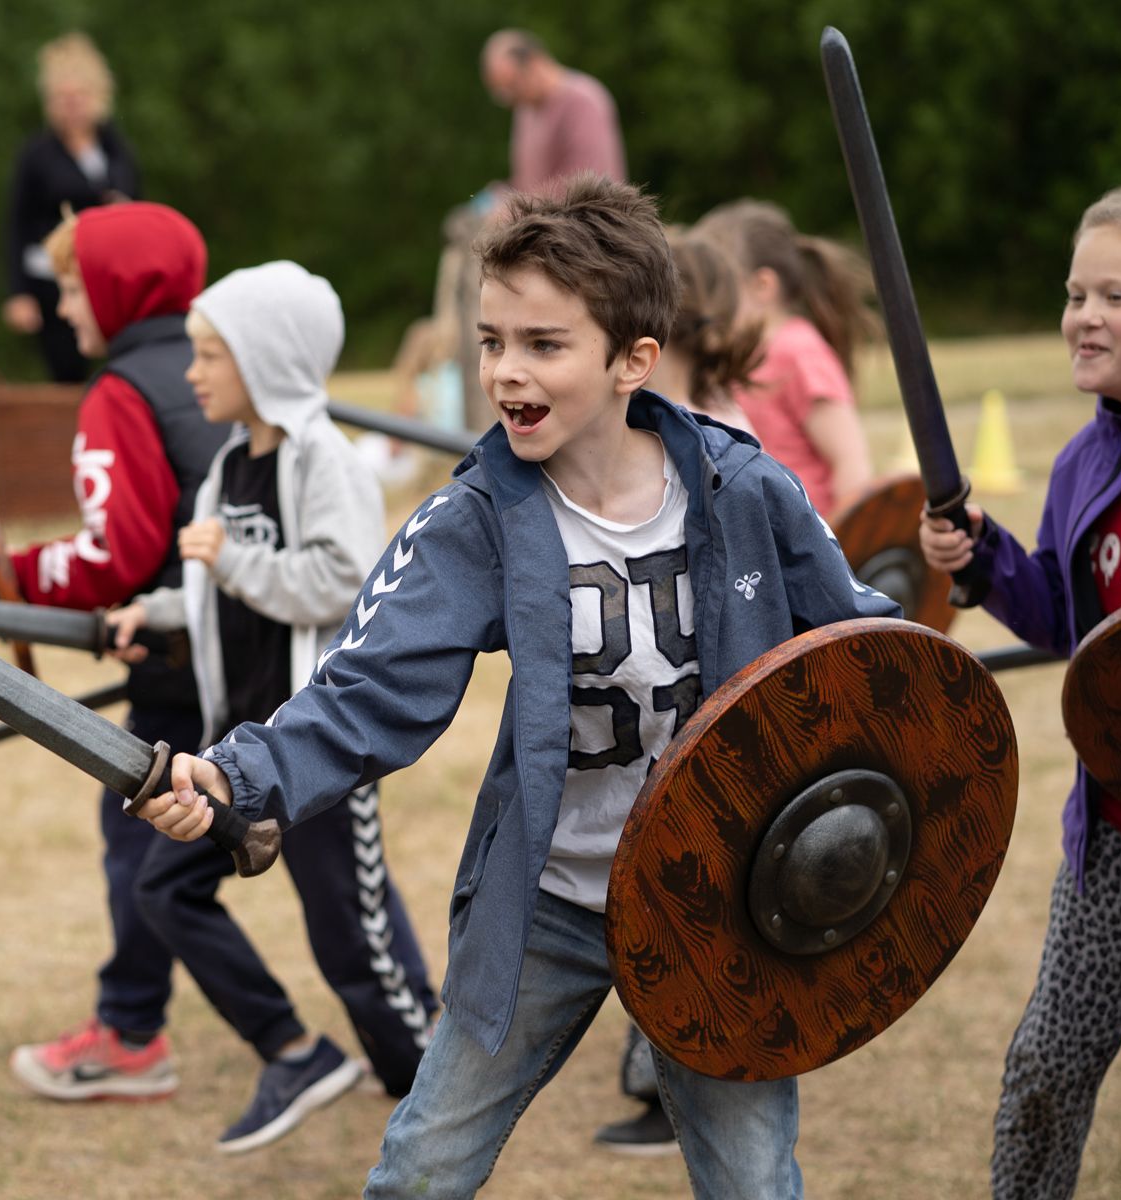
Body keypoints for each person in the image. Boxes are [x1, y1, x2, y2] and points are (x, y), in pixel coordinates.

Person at [138, 175, 898, 1198]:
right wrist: (240, 777)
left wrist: (927, 645)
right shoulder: (478, 521)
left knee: (754, 1183)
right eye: (492, 341)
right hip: (550, 901)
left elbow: (862, 651)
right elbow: (366, 687)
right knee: (420, 1171)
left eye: (544, 344)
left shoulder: (743, 490)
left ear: (634, 358)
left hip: (722, 901)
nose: (504, 371)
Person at [920, 168, 1121, 1200]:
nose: (1082, 317)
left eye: (1114, 295)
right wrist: (981, 561)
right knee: (1044, 1075)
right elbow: (1073, 625)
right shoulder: (1081, 468)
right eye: (1074, 295)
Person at [103, 261, 439, 1153]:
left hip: (311, 745)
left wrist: (232, 562)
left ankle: (429, 1080)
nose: (193, 372)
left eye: (212, 354)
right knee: (165, 888)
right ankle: (291, 1048)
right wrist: (158, 610)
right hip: (232, 748)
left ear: (267, 360)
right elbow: (212, 587)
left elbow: (346, 578)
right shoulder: (224, 469)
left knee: (351, 933)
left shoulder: (322, 460)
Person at [3, 201, 230, 1100]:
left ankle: (132, 1033)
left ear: (113, 286)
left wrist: (18, 570)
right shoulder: (215, 362)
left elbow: (117, 554)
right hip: (256, 653)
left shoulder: (121, 391)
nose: (62, 308)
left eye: (69, 285)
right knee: (326, 856)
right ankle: (407, 1023)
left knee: (142, 842)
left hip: (180, 663)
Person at [588, 226, 762, 1158]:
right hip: (634, 714)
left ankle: (677, 1088)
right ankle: (658, 1081)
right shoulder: (628, 419)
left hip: (710, 708)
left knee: (696, 918)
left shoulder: (719, 438)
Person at [694, 199, 876, 519]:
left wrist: (840, 551)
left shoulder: (799, 352)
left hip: (813, 549)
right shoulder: (738, 357)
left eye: (718, 287)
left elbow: (851, 462)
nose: (709, 304)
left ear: (762, 285)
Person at [1, 32, 141, 383]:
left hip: (107, 278)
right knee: (66, 373)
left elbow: (137, 207)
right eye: (63, 98)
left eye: (78, 96)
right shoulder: (36, 155)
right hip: (53, 282)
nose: (71, 105)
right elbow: (17, 224)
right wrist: (18, 294)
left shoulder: (116, 149)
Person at [480, 30, 625, 197]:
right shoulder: (526, 110)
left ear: (534, 63)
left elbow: (588, 187)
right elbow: (529, 182)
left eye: (512, 85)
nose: (509, 98)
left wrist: (514, 210)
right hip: (540, 218)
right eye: (501, 93)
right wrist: (501, 196)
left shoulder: (582, 102)